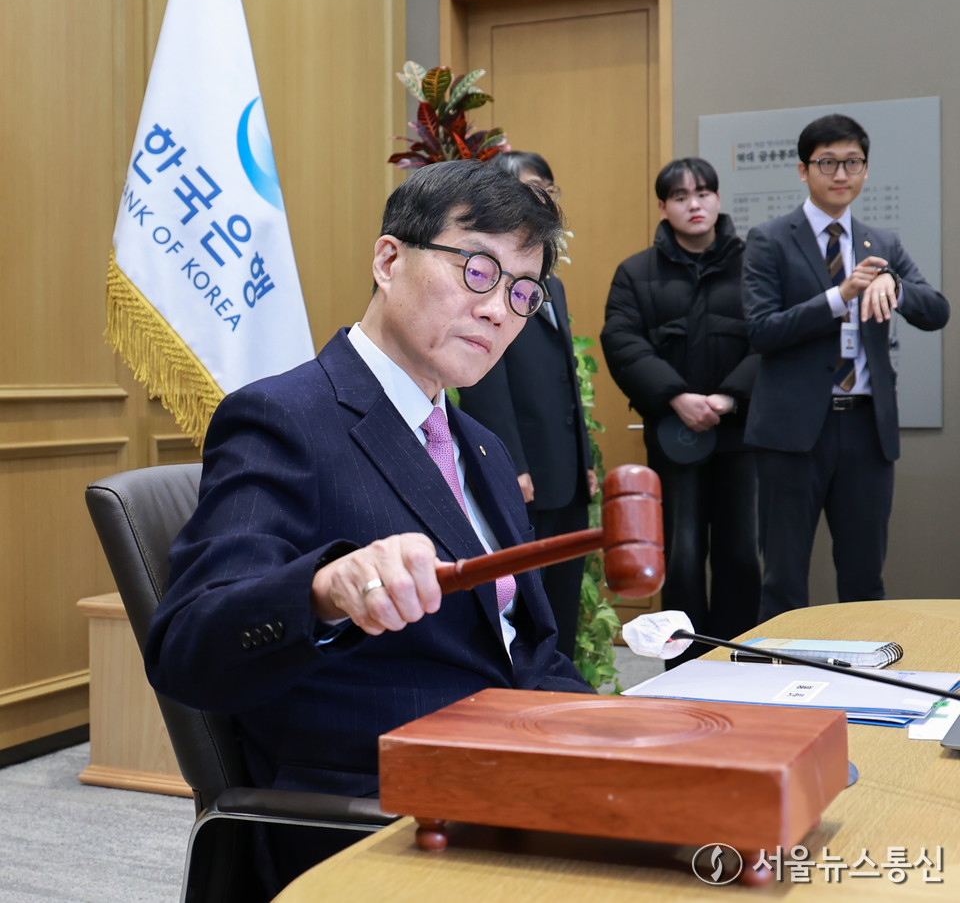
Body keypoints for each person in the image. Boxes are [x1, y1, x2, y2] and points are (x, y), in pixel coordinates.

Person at [144, 160, 591, 881]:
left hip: (516, 770)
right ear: (389, 259)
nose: (498, 309)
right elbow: (189, 646)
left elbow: (525, 650)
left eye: (522, 292)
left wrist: (620, 740)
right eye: (477, 270)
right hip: (383, 811)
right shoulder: (284, 418)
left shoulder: (483, 445)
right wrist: (321, 590)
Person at [742, 114, 950, 620]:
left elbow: (936, 310)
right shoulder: (769, 239)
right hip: (792, 433)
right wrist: (840, 296)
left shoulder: (882, 243)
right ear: (803, 169)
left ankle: (862, 685)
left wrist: (896, 288)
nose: (841, 174)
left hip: (865, 426)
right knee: (784, 574)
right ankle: (779, 684)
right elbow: (761, 331)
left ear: (865, 169)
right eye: (828, 163)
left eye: (852, 163)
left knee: (863, 574)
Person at [601, 157, 760, 664]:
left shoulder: (755, 263)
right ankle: (686, 667)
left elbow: (774, 339)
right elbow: (622, 341)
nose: (694, 204)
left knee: (740, 554)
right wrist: (676, 396)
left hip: (741, 436)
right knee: (683, 555)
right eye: (680, 196)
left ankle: (739, 660)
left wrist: (729, 396)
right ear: (663, 207)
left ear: (717, 199)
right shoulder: (635, 272)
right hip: (674, 438)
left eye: (704, 193)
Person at [457, 151, 597, 659]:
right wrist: (508, 463)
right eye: (528, 188)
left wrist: (585, 461)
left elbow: (566, 381)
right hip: (523, 466)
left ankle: (561, 688)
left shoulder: (548, 282)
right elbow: (484, 381)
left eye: (548, 189)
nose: (542, 198)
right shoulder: (489, 279)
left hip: (564, 468)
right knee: (530, 599)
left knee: (565, 587)